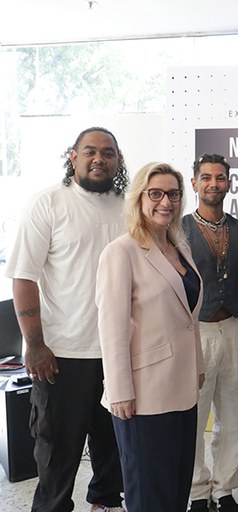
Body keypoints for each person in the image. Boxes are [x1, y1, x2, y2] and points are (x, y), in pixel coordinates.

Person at [5, 127, 127, 512]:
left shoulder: (130, 206)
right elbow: (24, 277)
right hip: (63, 355)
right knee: (57, 452)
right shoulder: (49, 204)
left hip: (118, 353)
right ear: (73, 156)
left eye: (108, 153)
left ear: (118, 161)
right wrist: (35, 345)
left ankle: (104, 503)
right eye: (90, 151)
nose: (99, 159)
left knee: (113, 445)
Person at [95, 162, 205, 512]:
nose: (165, 202)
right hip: (144, 397)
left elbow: (190, 320)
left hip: (183, 389)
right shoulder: (122, 251)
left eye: (173, 194)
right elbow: (110, 328)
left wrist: (198, 365)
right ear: (139, 198)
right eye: (155, 193)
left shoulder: (177, 247)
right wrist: (120, 390)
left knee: (176, 488)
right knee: (149, 494)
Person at [183, 154, 238, 512]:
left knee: (235, 413)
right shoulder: (179, 228)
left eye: (220, 178)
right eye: (205, 177)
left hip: (235, 327)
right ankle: (196, 490)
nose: (213, 184)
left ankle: (224, 488)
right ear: (194, 183)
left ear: (228, 183)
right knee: (195, 414)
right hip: (197, 330)